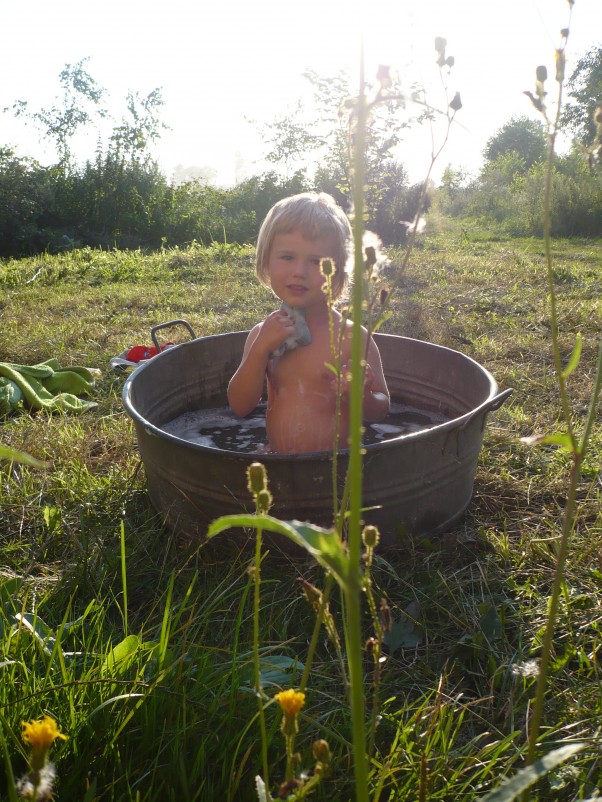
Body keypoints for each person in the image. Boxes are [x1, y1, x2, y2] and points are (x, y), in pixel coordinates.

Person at [227, 192, 390, 453]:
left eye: (316, 261)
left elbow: (380, 411)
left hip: (338, 471)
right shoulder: (263, 335)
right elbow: (240, 405)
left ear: (338, 270)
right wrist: (259, 351)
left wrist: (361, 393)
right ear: (266, 260)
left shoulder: (352, 337)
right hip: (279, 464)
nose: (299, 272)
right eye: (287, 257)